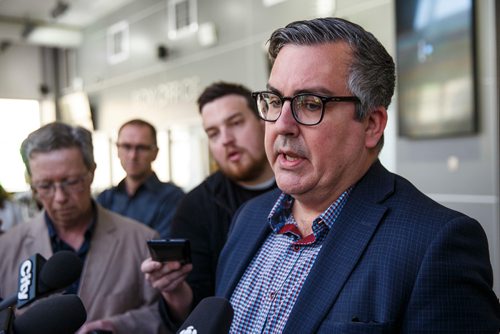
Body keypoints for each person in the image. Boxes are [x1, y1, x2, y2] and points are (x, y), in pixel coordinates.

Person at [215, 17, 500, 333]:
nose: (282, 124)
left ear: (371, 124)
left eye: (310, 104)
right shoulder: (248, 218)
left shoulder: (435, 244)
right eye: (273, 100)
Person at [0, 122, 168, 334]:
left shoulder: (140, 240)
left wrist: (117, 326)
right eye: (45, 186)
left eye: (71, 182)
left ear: (92, 173)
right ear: (32, 184)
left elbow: (161, 315)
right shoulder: (5, 249)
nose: (60, 197)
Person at [141, 82, 276, 329]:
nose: (226, 139)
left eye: (236, 123)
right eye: (213, 133)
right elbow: (196, 310)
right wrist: (174, 291)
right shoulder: (196, 206)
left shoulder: (302, 189)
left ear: (263, 121)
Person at [96, 119, 184, 238]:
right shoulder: (105, 198)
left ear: (155, 153)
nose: (133, 156)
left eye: (141, 148)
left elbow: (162, 250)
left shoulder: (173, 198)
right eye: (126, 146)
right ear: (117, 150)